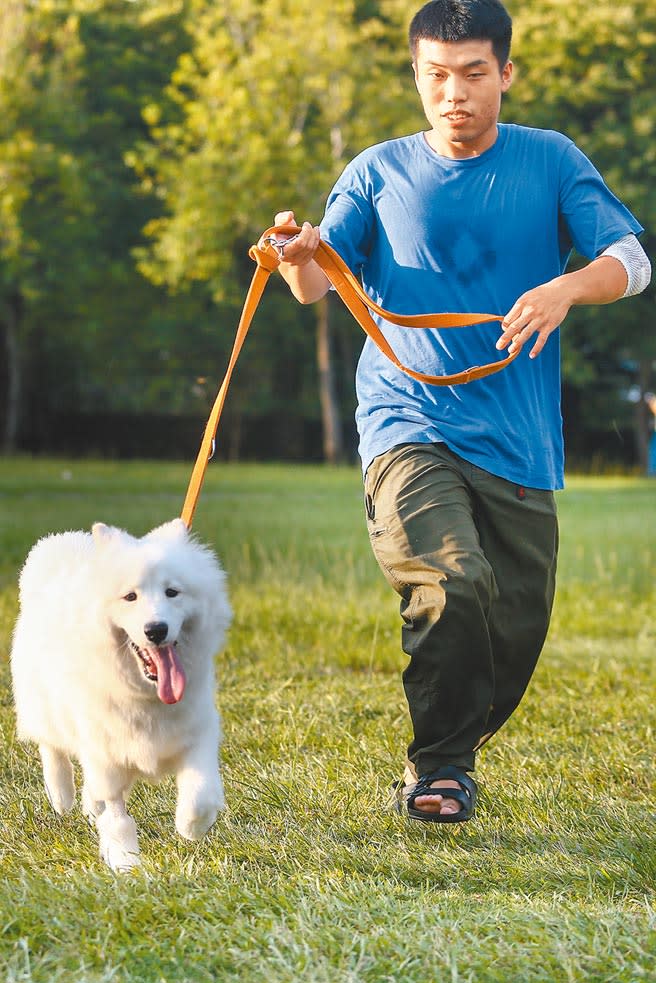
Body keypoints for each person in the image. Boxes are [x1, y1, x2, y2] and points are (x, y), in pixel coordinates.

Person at [272, 0, 651, 822]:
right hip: (407, 422)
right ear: (416, 76)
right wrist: (295, 252)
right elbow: (313, 279)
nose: (456, 93)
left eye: (474, 73)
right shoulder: (375, 171)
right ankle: (439, 768)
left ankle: (454, 739)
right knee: (451, 579)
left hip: (516, 440)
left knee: (512, 625)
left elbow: (632, 256)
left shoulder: (549, 161)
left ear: (506, 74)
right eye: (437, 75)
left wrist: (565, 287)